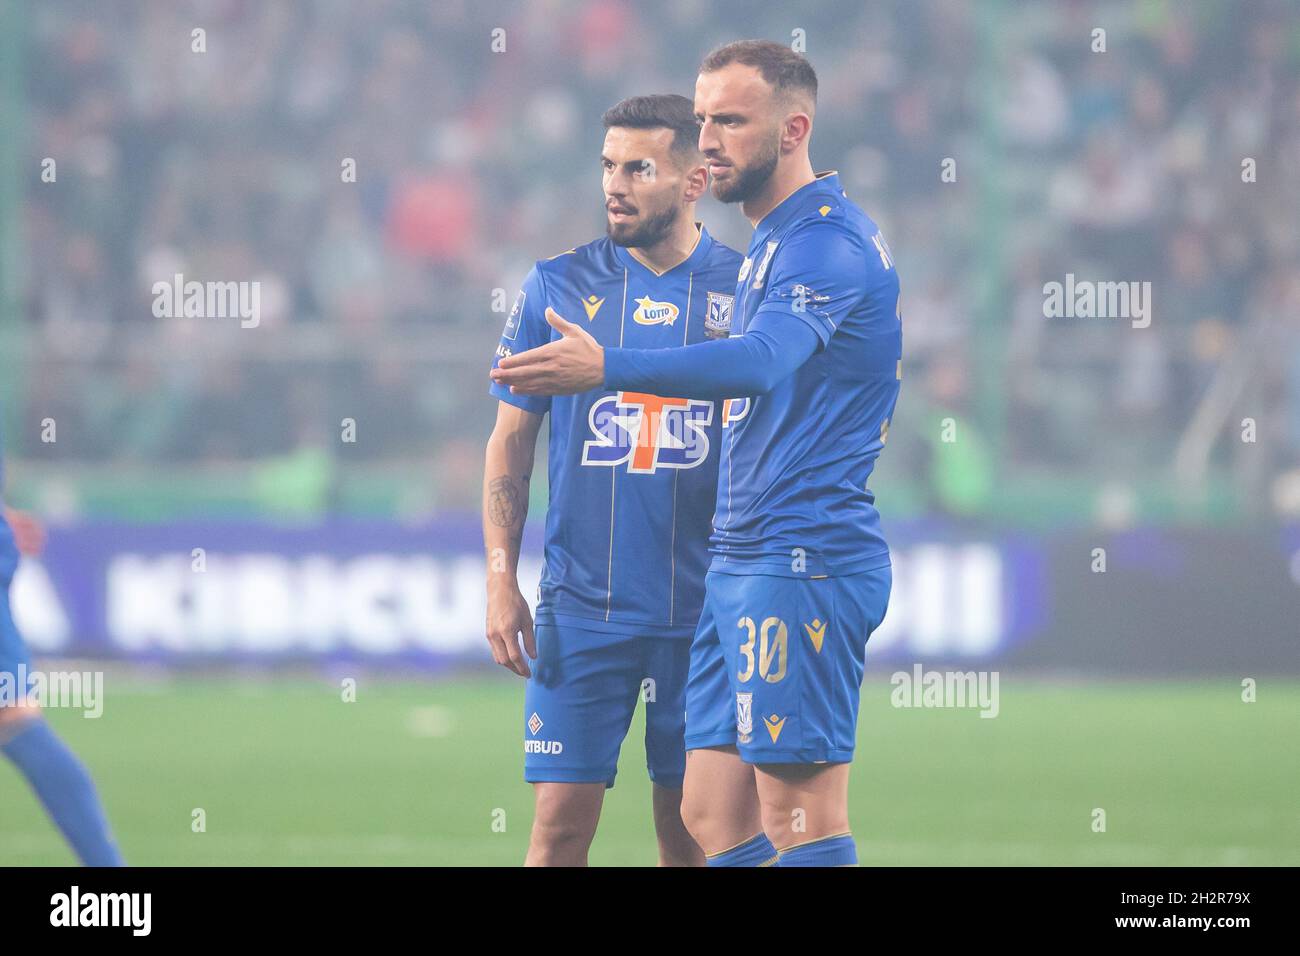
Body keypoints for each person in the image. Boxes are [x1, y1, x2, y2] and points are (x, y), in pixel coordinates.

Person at [492, 40, 901, 867]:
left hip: (801, 552)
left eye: (730, 121)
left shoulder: (821, 245)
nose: (709, 138)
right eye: (704, 117)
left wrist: (607, 367)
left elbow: (756, 364)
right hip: (734, 561)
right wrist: (502, 571)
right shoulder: (772, 245)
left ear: (793, 129)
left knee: (799, 814)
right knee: (711, 812)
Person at [482, 94, 745, 866]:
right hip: (583, 608)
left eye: (638, 167)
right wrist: (502, 578)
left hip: (705, 618)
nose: (615, 184)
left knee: (690, 829)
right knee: (558, 828)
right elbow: (509, 442)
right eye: (607, 165)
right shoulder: (554, 287)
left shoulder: (745, 291)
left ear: (693, 182)